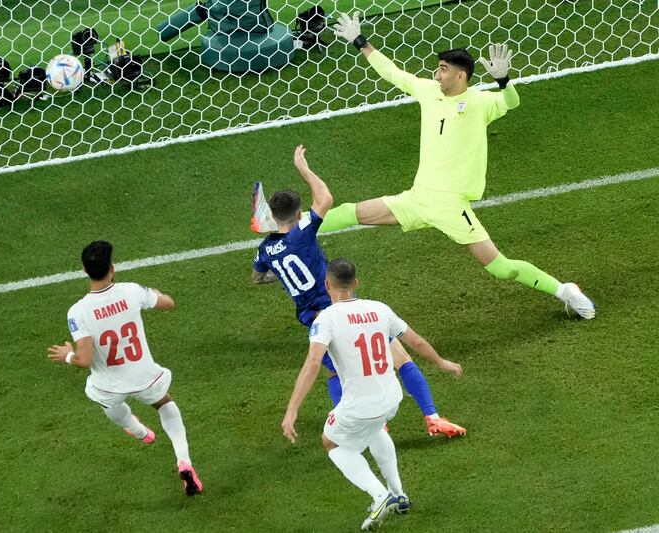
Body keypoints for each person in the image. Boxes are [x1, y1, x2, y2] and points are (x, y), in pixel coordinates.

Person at [254, 14, 595, 320]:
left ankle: (565, 291)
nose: (437, 72)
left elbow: (511, 102)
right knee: (348, 212)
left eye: (444, 69)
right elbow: (393, 73)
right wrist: (361, 42)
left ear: (461, 75)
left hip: (450, 207)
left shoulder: (479, 102)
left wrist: (504, 80)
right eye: (438, 67)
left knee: (501, 268)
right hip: (417, 199)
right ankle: (290, 232)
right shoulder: (428, 91)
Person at [254, 145, 467, 438]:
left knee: (333, 372)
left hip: (313, 319)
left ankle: (368, 429)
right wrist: (303, 167)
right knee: (401, 358)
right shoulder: (302, 232)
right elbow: (326, 198)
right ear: (298, 211)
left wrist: (276, 269)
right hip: (337, 309)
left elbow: (259, 277)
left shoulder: (264, 251)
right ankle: (432, 417)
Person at [47, 240, 203, 496]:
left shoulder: (78, 311)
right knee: (165, 403)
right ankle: (183, 460)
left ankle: (138, 430)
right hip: (144, 376)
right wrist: (150, 292)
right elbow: (168, 303)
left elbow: (84, 360)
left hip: (109, 385)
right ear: (112, 269)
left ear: (85, 271)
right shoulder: (131, 291)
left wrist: (67, 356)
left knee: (109, 403)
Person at [282, 258, 413, 530]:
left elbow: (313, 362)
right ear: (356, 284)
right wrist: (443, 362)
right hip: (391, 396)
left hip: (360, 403)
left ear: (327, 285)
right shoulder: (378, 308)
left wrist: (292, 409)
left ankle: (380, 496)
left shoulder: (326, 318)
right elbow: (416, 342)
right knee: (376, 429)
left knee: (332, 444)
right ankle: (399, 494)